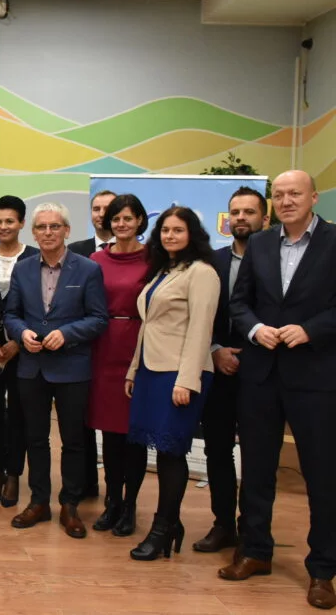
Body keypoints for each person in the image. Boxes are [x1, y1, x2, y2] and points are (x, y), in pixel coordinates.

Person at [221, 170, 336, 611]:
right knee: (256, 470)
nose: (286, 201)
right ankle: (255, 551)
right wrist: (254, 329)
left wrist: (311, 330)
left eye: (295, 193)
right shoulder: (262, 243)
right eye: (280, 194)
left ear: (314, 197)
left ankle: (323, 570)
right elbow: (239, 302)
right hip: (261, 375)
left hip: (316, 377)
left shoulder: (333, 241)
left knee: (322, 475)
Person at [4, 202, 108, 539]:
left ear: (67, 230)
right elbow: (11, 314)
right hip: (32, 367)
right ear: (33, 233)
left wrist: (67, 334)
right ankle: (38, 502)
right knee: (35, 438)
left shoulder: (88, 269)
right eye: (41, 227)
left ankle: (70, 504)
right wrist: (22, 333)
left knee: (74, 441)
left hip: (72, 367)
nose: (48, 232)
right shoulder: (22, 269)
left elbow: (98, 318)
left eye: (54, 226)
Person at [123, 206, 219, 561]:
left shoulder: (202, 272)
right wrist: (134, 370)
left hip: (180, 374)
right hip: (151, 370)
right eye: (165, 230)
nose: (170, 236)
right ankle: (171, 524)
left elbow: (201, 330)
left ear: (192, 234)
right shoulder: (163, 271)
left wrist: (187, 380)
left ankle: (162, 528)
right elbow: (149, 326)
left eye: (178, 230)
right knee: (159, 451)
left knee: (172, 451)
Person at [193, 187, 268, 553]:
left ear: (264, 218)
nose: (241, 218)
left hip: (263, 372)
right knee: (218, 451)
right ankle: (223, 524)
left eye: (249, 212)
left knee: (257, 456)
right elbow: (197, 315)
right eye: (235, 212)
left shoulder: (276, 262)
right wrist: (215, 350)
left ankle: (252, 532)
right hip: (217, 370)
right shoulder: (212, 262)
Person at [88, 194, 150, 537]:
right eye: (115, 219)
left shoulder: (155, 259)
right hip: (101, 348)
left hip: (139, 348)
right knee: (109, 433)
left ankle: (130, 505)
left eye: (127, 218)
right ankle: (112, 500)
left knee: (134, 432)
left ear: (140, 220)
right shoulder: (96, 259)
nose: (121, 224)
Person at [0, 195, 38, 506]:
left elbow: (42, 306)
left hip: (23, 348)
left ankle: (13, 474)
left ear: (22, 223)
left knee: (18, 414)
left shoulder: (35, 258)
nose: (3, 227)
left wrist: (17, 342)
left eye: (10, 221)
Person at [68, 188, 116, 500]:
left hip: (117, 345)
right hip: (80, 346)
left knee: (114, 422)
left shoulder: (143, 253)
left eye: (108, 208)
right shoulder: (76, 250)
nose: (101, 214)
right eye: (96, 208)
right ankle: (85, 484)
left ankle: (116, 492)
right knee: (80, 419)